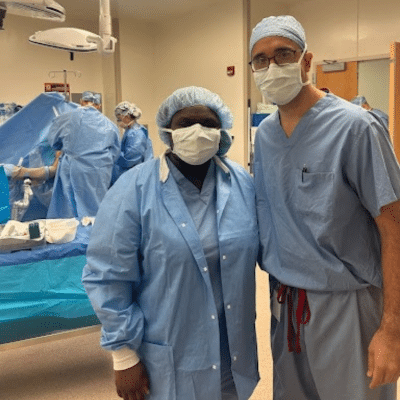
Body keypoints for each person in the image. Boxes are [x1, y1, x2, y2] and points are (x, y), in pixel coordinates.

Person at [250, 15, 400, 400]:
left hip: (347, 303)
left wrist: (392, 328)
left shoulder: (357, 128)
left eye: (283, 54)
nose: (272, 66)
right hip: (286, 302)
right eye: (261, 59)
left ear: (305, 61)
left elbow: (394, 229)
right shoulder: (265, 136)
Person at [82, 86, 260, 400]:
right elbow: (107, 276)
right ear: (168, 131)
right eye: (186, 124)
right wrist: (123, 356)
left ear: (221, 132)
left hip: (232, 351)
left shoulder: (241, 182)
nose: (198, 131)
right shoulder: (134, 188)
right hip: (172, 354)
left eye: (208, 124)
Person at [45, 91, 120, 219]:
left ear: (81, 102)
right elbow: (115, 153)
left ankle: (71, 237)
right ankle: (96, 235)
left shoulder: (66, 118)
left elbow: (53, 141)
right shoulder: (110, 125)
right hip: (99, 170)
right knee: (96, 205)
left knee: (69, 207)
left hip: (73, 168)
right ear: (99, 105)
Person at [111, 101, 153, 184]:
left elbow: (130, 159)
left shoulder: (136, 134)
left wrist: (113, 152)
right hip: (132, 176)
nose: (118, 122)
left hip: (135, 177)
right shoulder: (130, 131)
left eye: (119, 119)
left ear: (126, 117)